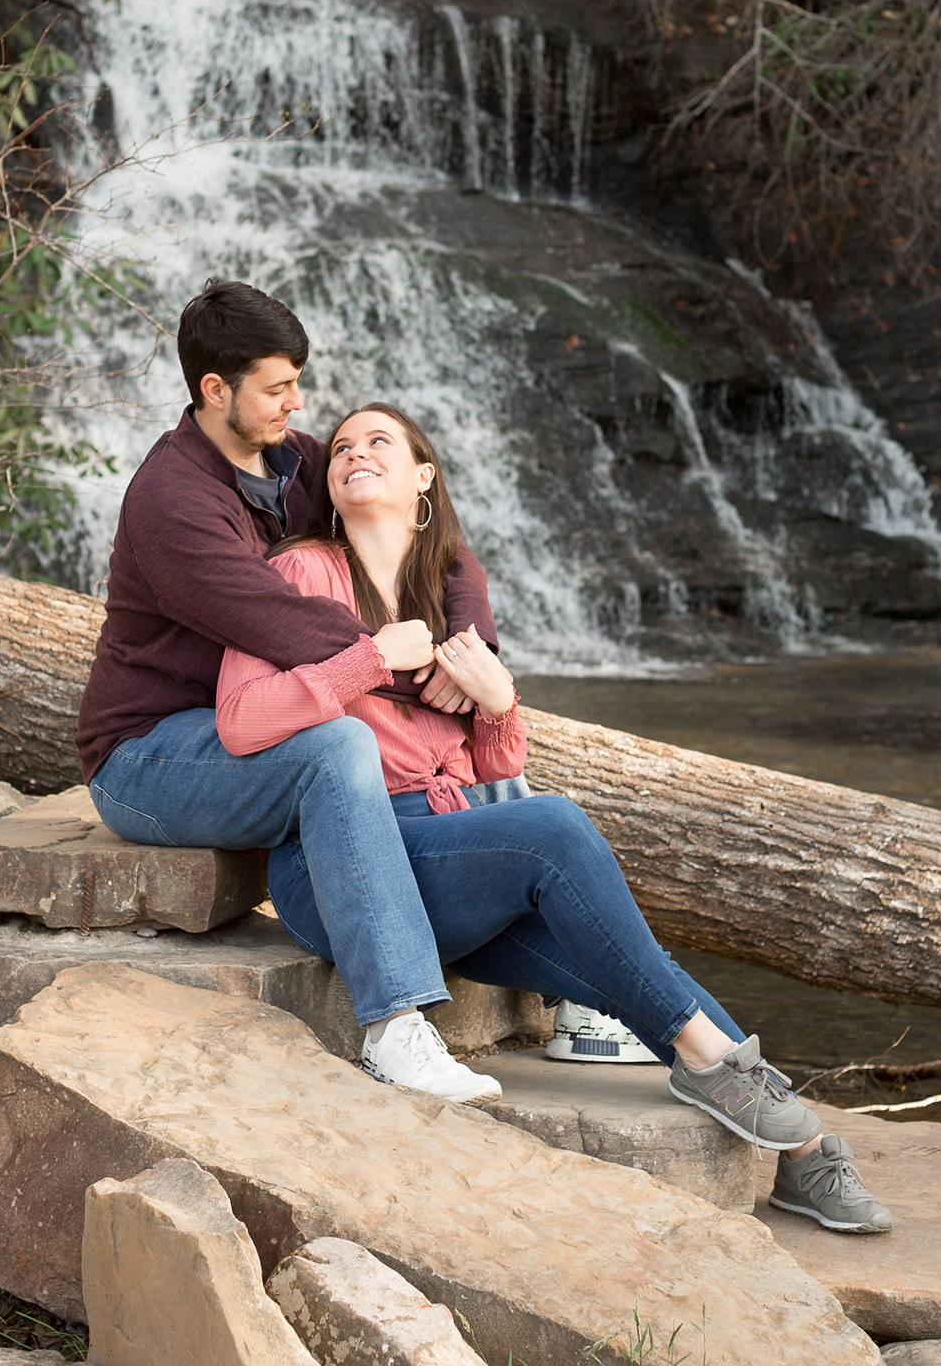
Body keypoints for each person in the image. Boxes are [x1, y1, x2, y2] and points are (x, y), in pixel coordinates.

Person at [214, 401, 893, 1236]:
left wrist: (499, 702)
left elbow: (494, 766)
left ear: (424, 475)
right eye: (342, 446)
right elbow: (241, 720)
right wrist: (367, 659)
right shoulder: (300, 573)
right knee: (555, 826)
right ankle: (721, 1072)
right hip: (342, 863)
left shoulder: (448, 587)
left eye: (379, 441)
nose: (355, 453)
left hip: (450, 857)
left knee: (633, 964)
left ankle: (803, 1152)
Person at [77, 278, 526, 1106]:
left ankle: (557, 989)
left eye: (298, 382)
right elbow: (284, 626)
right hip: (153, 757)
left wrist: (471, 656)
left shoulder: (295, 458)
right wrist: (422, 677)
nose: (298, 402)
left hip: (258, 723)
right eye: (278, 387)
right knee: (340, 745)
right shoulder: (173, 501)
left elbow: (447, 547)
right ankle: (394, 1028)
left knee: (485, 731)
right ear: (216, 391)